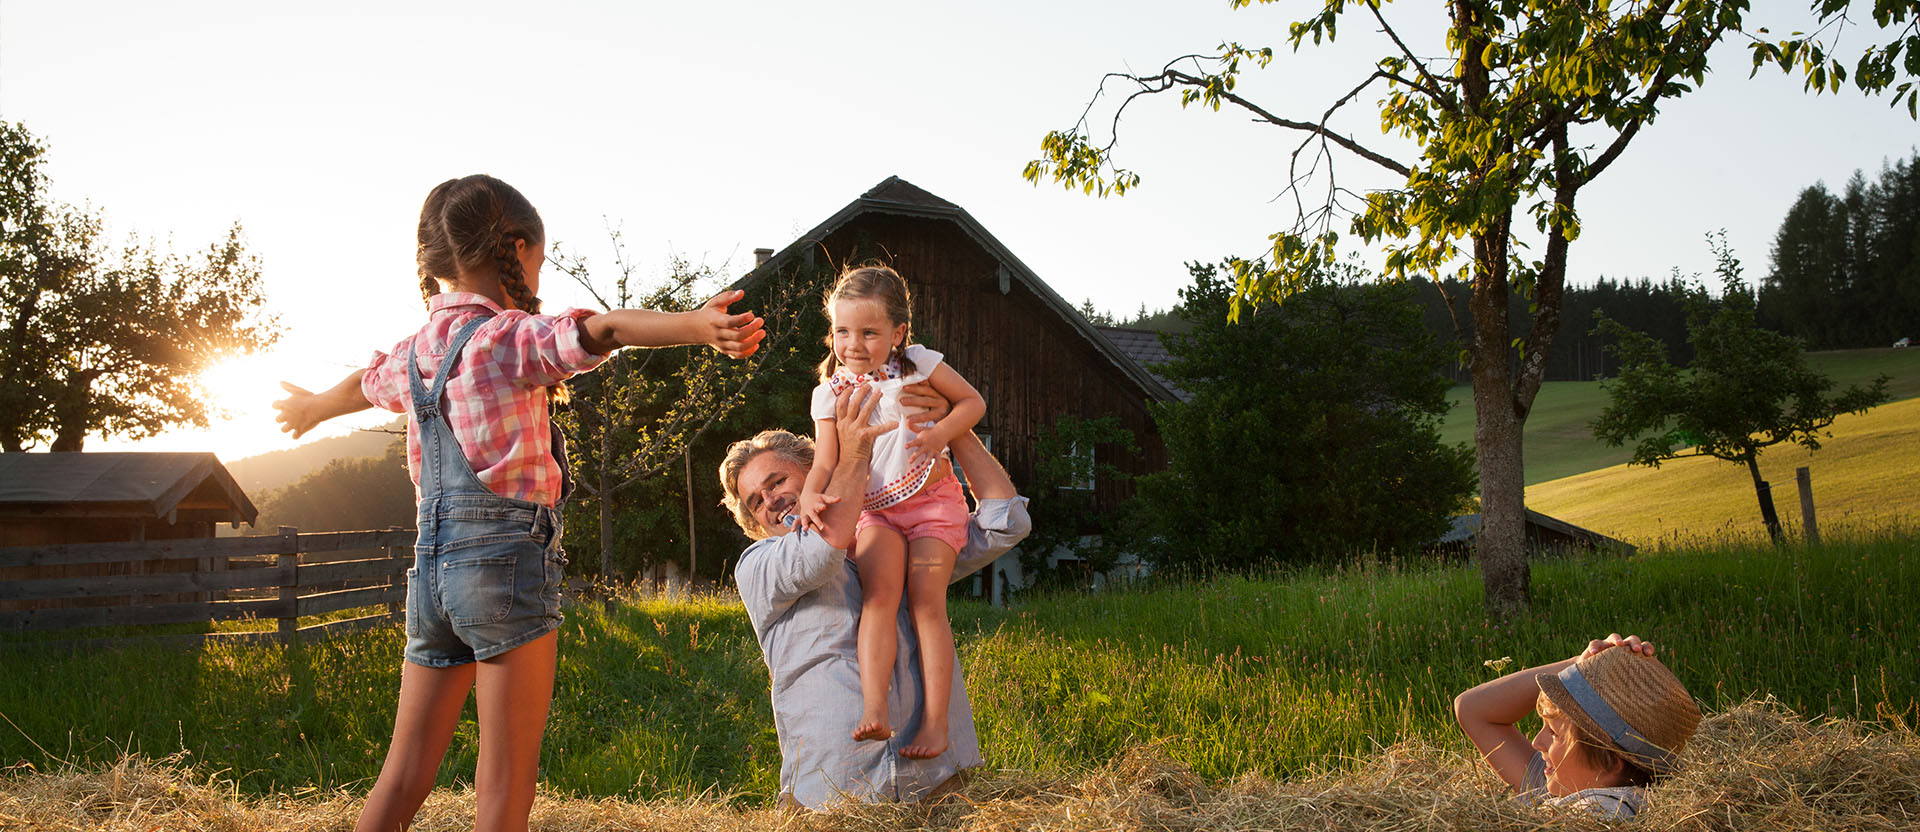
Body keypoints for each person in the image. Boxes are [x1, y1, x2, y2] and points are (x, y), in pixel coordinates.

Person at [272, 174, 764, 832]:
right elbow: (605, 328)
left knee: (405, 769)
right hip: (504, 569)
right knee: (504, 777)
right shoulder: (509, 338)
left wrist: (310, 407)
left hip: (432, 579)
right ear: (518, 248)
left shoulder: (417, 354)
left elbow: (361, 387)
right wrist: (696, 327)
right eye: (537, 258)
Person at [721, 383, 1027, 809]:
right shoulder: (759, 566)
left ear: (815, 473)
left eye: (777, 481)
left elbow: (1004, 523)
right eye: (756, 501)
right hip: (832, 798)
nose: (771, 500)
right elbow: (821, 554)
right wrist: (856, 454)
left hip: (937, 788)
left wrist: (950, 424)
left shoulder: (901, 541)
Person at [795, 264, 986, 759]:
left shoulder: (918, 364)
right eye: (841, 331)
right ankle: (874, 709)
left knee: (926, 604)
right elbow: (825, 462)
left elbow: (972, 402)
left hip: (932, 504)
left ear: (898, 332)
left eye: (868, 332)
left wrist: (942, 432)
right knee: (879, 599)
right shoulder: (829, 393)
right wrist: (810, 495)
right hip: (877, 511)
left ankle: (936, 725)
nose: (852, 343)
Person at [1454, 633, 1702, 819]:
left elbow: (1473, 710)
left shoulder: (1603, 811)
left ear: (1610, 762)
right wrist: (1581, 668)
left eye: (1554, 734)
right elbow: (1471, 708)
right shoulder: (1567, 784)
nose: (1536, 742)